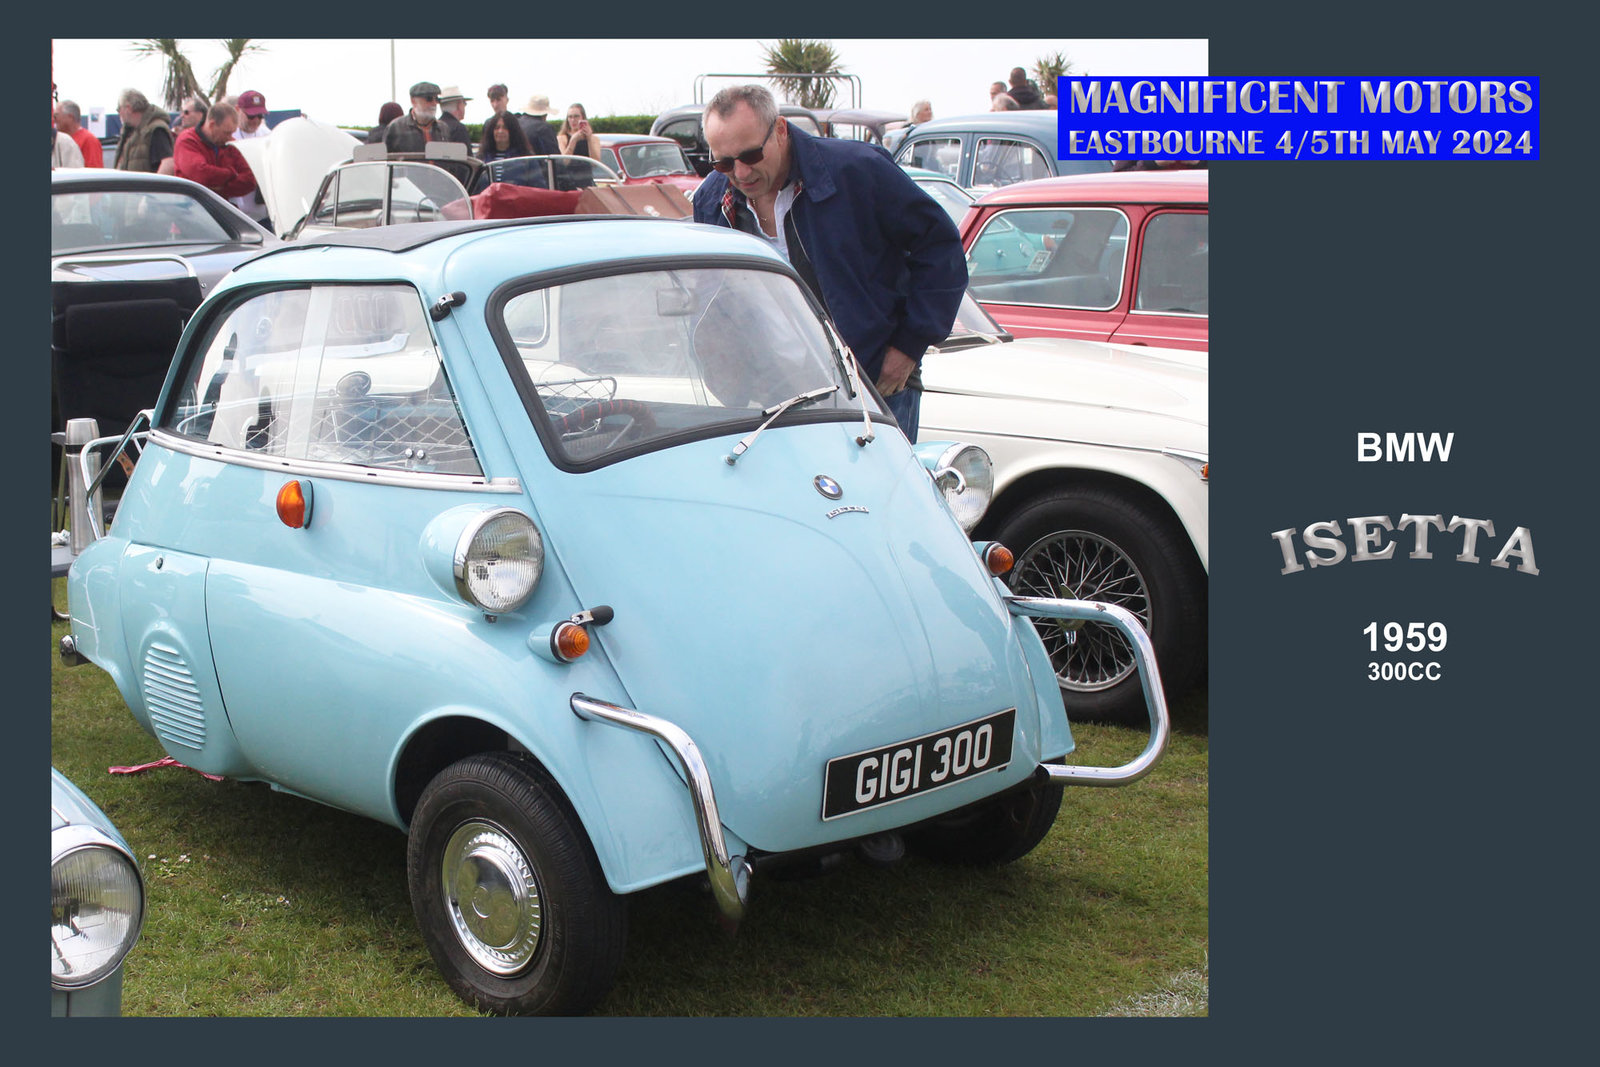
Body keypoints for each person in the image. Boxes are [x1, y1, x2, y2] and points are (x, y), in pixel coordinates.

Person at [692, 85, 965, 442]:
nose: (740, 173)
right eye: (723, 162)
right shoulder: (712, 200)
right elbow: (712, 299)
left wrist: (908, 347)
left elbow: (939, 247)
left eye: (751, 156)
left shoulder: (858, 170)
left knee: (883, 498)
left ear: (780, 131)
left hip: (875, 385)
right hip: (774, 399)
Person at [174, 101, 258, 202]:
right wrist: (231, 173)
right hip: (190, 207)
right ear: (212, 124)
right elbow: (201, 174)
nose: (229, 137)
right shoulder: (187, 140)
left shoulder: (230, 144)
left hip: (220, 206)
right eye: (226, 133)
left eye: (232, 133)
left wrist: (221, 188)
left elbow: (250, 181)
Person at [230, 90, 273, 231]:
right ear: (238, 110)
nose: (255, 120)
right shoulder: (228, 134)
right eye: (251, 116)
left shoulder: (267, 135)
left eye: (260, 116)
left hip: (264, 215)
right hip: (236, 212)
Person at [113, 88, 175, 173]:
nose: (119, 113)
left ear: (128, 108)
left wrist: (154, 186)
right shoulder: (130, 133)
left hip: (146, 186)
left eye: (118, 109)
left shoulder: (156, 129)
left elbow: (168, 163)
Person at [54, 100, 103, 167]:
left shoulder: (89, 140)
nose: (54, 119)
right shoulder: (60, 141)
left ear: (70, 117)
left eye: (56, 116)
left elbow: (95, 172)